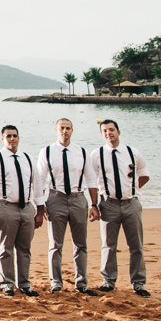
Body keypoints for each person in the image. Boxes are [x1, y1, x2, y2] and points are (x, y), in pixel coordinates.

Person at [35, 118, 99, 295]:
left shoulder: (81, 152)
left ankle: (81, 283)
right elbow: (40, 179)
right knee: (55, 244)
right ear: (56, 129)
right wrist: (40, 205)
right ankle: (56, 282)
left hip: (78, 198)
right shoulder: (47, 151)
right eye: (62, 128)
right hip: (56, 198)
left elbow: (91, 179)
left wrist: (94, 204)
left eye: (68, 128)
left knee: (81, 243)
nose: (65, 131)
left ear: (72, 130)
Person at [89, 119, 151, 297]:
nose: (109, 133)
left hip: (131, 203)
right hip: (108, 204)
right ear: (102, 135)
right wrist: (94, 204)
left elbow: (144, 175)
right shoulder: (96, 154)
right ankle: (108, 281)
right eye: (105, 131)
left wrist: (131, 190)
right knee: (108, 245)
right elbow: (91, 181)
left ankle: (138, 283)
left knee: (136, 245)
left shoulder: (132, 152)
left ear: (118, 132)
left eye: (112, 130)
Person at [0, 125, 45, 298]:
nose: (12, 139)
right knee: (6, 248)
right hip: (5, 207)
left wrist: (39, 211)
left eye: (15, 136)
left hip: (26, 208)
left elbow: (38, 185)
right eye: (8, 136)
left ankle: (24, 283)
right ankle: (6, 284)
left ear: (19, 138)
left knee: (25, 248)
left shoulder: (27, 158)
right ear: (2, 139)